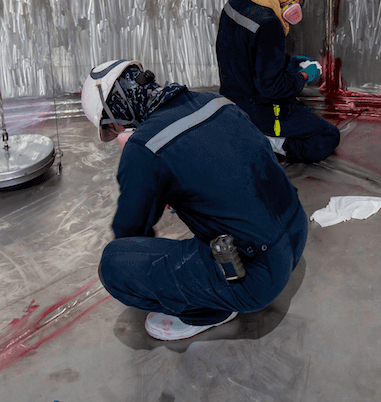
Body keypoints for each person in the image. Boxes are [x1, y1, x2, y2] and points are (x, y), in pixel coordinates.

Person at [83, 59, 308, 341]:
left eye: (113, 125)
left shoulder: (145, 145)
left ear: (117, 107)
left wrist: (145, 176)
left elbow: (130, 232)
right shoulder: (214, 102)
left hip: (256, 278)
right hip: (296, 235)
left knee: (115, 263)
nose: (120, 130)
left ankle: (210, 310)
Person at [216, 0, 341, 163]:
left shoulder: (237, 0)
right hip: (259, 110)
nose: (301, 3)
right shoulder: (270, 23)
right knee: (328, 135)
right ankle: (271, 141)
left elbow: (246, 55)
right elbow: (272, 87)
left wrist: (289, 62)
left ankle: (250, 130)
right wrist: (303, 77)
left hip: (231, 101)